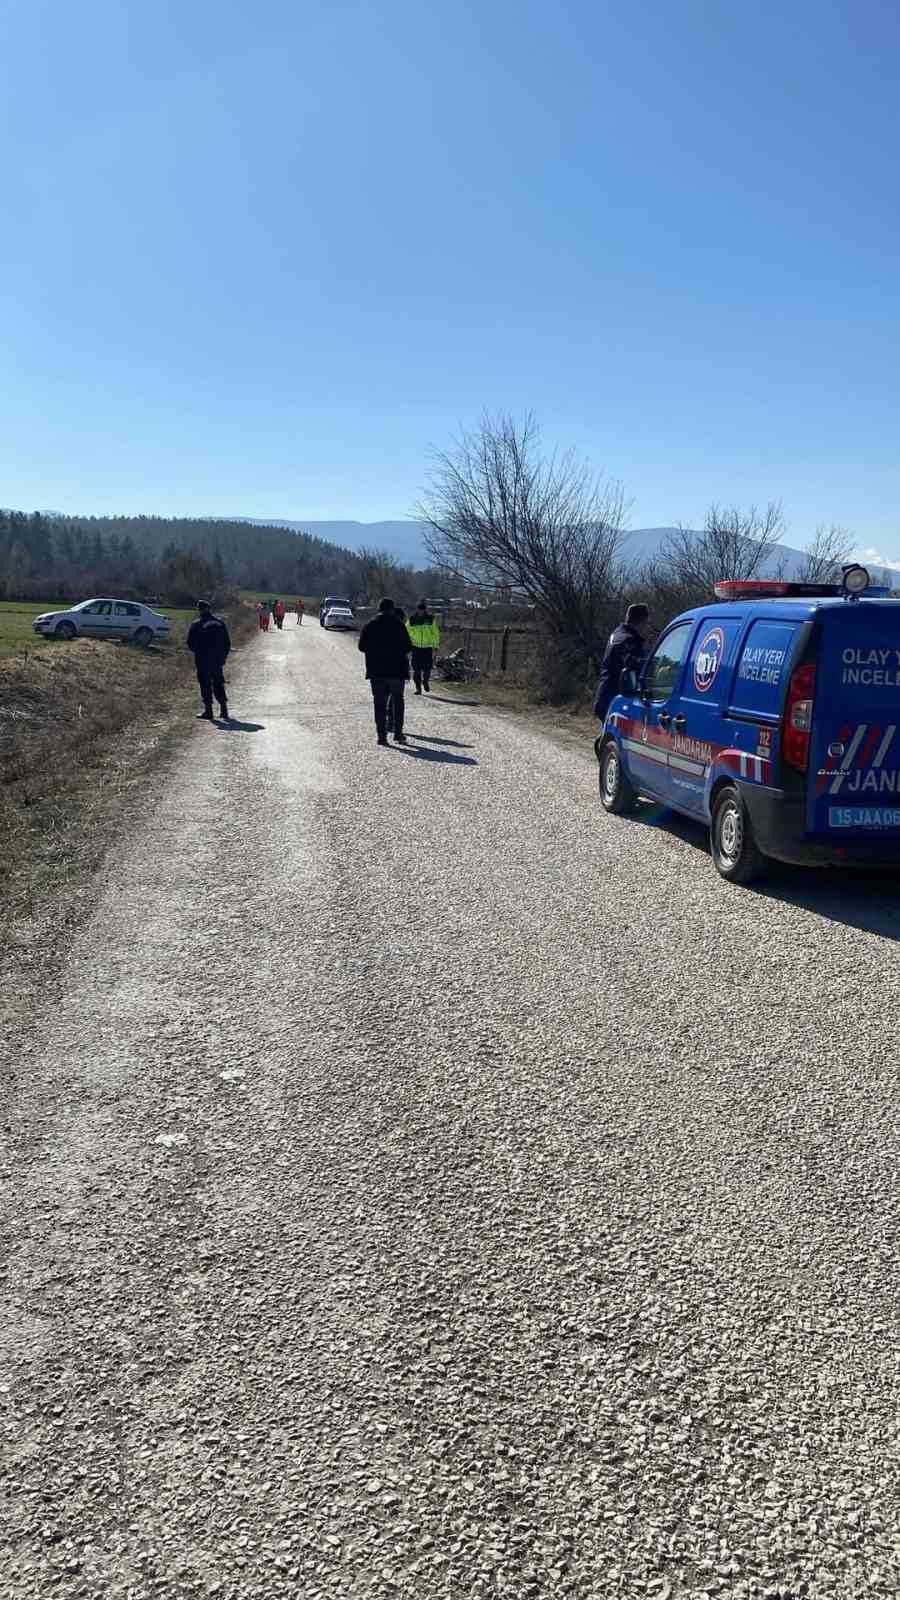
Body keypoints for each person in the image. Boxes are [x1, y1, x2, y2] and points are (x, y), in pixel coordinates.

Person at [358, 598, 413, 746]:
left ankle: (381, 736)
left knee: (379, 703)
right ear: (392, 609)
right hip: (396, 670)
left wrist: (375, 651)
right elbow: (408, 646)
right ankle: (398, 733)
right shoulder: (399, 625)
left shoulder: (370, 625)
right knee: (397, 701)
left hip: (377, 671)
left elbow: (361, 647)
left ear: (379, 609)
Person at [592, 603, 653, 725]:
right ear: (641, 622)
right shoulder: (628, 639)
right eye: (647, 623)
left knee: (612, 737)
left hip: (606, 696)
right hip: (614, 699)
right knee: (617, 738)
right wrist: (654, 665)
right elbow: (632, 663)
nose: (647, 627)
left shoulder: (618, 633)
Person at [187, 600, 232, 721]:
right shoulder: (220, 623)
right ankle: (224, 710)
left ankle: (209, 711)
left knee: (205, 684)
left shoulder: (196, 624)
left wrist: (198, 652)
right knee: (218, 683)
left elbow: (190, 643)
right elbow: (227, 643)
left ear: (199, 609)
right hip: (217, 660)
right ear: (209, 608)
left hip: (203, 660)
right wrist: (223, 657)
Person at [406, 600, 441, 694]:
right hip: (416, 647)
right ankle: (418, 688)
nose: (421, 612)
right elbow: (407, 632)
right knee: (416, 669)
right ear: (417, 610)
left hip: (427, 648)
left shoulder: (430, 619)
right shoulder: (412, 620)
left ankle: (425, 681)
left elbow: (436, 633)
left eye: (422, 610)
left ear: (425, 610)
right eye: (419, 610)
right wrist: (410, 641)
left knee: (427, 668)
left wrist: (436, 646)